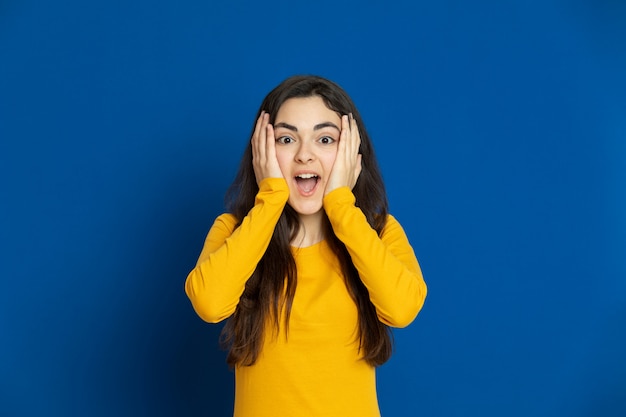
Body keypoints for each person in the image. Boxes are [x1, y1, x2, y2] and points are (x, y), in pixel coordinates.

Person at [185, 75, 427, 417]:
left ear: (351, 154)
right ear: (262, 151)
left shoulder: (378, 233)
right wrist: (269, 199)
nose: (305, 156)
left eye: (325, 139)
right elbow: (209, 304)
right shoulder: (234, 232)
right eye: (286, 139)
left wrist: (342, 206)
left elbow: (401, 310)